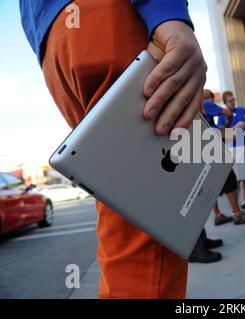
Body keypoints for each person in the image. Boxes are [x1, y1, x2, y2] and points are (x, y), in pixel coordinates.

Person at [20, 0, 207, 298]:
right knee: (150, 230)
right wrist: (167, 13)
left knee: (129, 221)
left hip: (55, 41)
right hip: (111, 16)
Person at [203, 90, 245, 226]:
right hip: (213, 145)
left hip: (202, 148)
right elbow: (227, 114)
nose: (211, 100)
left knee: (210, 183)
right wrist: (228, 123)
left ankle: (217, 215)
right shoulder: (205, 104)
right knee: (229, 178)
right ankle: (237, 214)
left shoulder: (190, 107)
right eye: (210, 97)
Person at [219, 91, 245, 212]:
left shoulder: (241, 110)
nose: (232, 102)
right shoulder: (222, 115)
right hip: (234, 147)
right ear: (225, 102)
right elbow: (222, 133)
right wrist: (235, 128)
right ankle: (235, 206)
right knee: (237, 178)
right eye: (230, 101)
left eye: (233, 99)